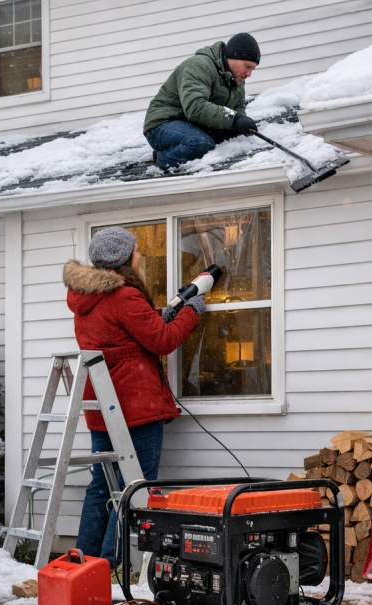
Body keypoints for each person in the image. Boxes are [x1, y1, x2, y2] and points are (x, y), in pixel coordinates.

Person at [64, 227, 205, 568]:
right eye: (137, 251)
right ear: (123, 259)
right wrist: (192, 313)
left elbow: (122, 335)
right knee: (133, 487)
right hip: (133, 407)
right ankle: (111, 566)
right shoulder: (123, 295)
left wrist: (158, 315)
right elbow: (161, 342)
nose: (141, 256)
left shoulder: (88, 296)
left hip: (103, 405)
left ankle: (84, 562)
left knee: (102, 486)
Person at [143, 33, 261, 171]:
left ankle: (179, 148)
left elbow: (238, 107)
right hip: (162, 124)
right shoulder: (199, 66)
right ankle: (163, 159)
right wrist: (234, 119)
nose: (249, 74)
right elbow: (195, 107)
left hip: (192, 124)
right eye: (247, 66)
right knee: (200, 144)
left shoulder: (237, 79)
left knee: (228, 138)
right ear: (232, 57)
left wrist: (241, 123)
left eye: (252, 69)